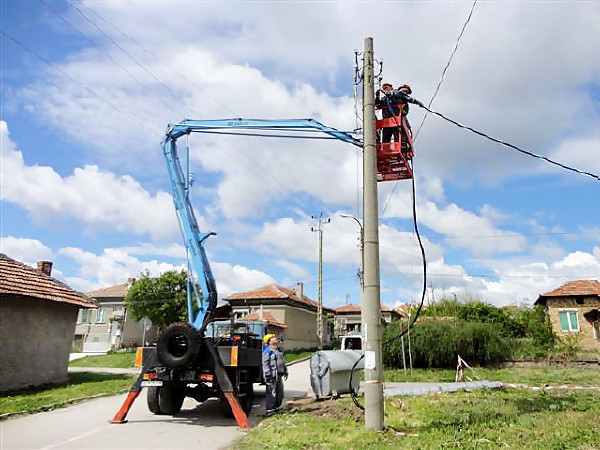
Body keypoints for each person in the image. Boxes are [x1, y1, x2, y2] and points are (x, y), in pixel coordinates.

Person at [375, 83, 413, 151]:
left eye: (387, 87)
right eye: (384, 88)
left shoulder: (396, 95)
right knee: (386, 136)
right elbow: (378, 105)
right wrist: (377, 96)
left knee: (397, 134)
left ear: (391, 88)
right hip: (387, 121)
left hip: (396, 119)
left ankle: (401, 147)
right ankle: (385, 149)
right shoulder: (384, 99)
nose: (385, 89)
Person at [262, 333, 288, 417]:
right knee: (271, 392)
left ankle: (276, 407)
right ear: (269, 342)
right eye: (273, 338)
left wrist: (285, 371)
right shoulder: (267, 352)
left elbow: (283, 362)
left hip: (279, 375)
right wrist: (268, 374)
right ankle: (270, 410)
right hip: (272, 376)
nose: (275, 339)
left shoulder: (279, 351)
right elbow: (265, 364)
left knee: (280, 393)